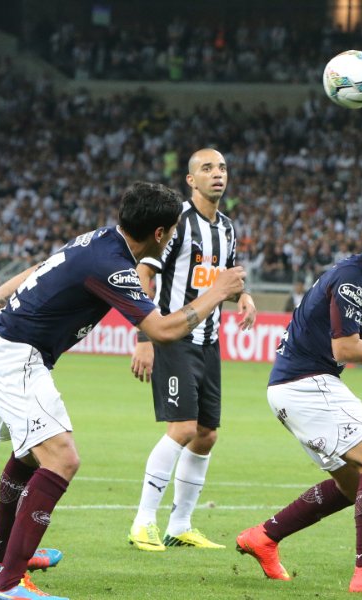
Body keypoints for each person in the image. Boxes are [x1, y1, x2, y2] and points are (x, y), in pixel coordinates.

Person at [0, 182, 246, 600]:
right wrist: (218, 291)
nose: (175, 236)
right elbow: (160, 329)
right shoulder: (114, 266)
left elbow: (38, 269)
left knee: (29, 453)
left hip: (7, 346)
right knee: (62, 459)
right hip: (17, 356)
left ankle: (2, 558)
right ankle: (7, 586)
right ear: (160, 233)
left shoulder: (100, 239)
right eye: (173, 230)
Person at [235, 208, 362, 595]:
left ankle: (264, 537)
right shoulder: (350, 279)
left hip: (297, 386)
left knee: (356, 483)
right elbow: (345, 348)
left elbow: (351, 336)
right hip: (305, 382)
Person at [128, 148, 257, 552]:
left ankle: (180, 524)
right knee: (182, 429)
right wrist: (145, 338)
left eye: (222, 167)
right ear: (191, 180)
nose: (217, 174)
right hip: (173, 336)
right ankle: (143, 522)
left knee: (205, 435)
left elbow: (229, 275)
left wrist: (244, 297)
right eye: (207, 168)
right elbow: (143, 274)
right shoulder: (176, 223)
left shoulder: (228, 228)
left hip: (209, 340)